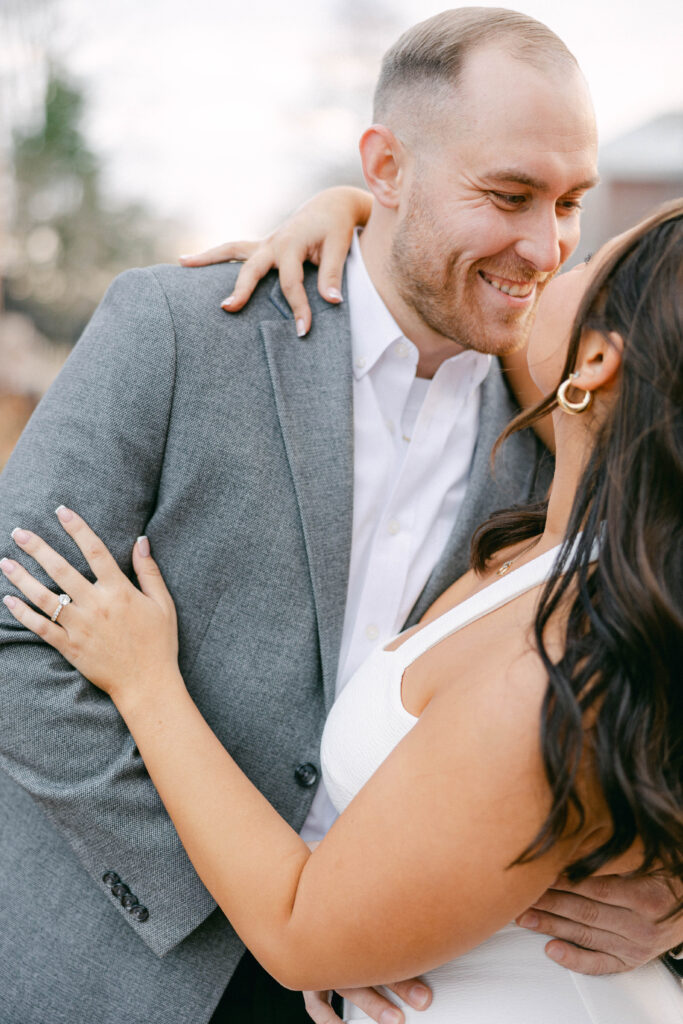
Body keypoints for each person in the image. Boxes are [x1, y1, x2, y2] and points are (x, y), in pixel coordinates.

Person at [0, 9, 678, 1023]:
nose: (544, 246)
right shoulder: (179, 331)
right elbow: (17, 631)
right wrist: (277, 913)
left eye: (572, 202)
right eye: (508, 195)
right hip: (129, 963)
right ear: (386, 169)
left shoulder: (563, 426)